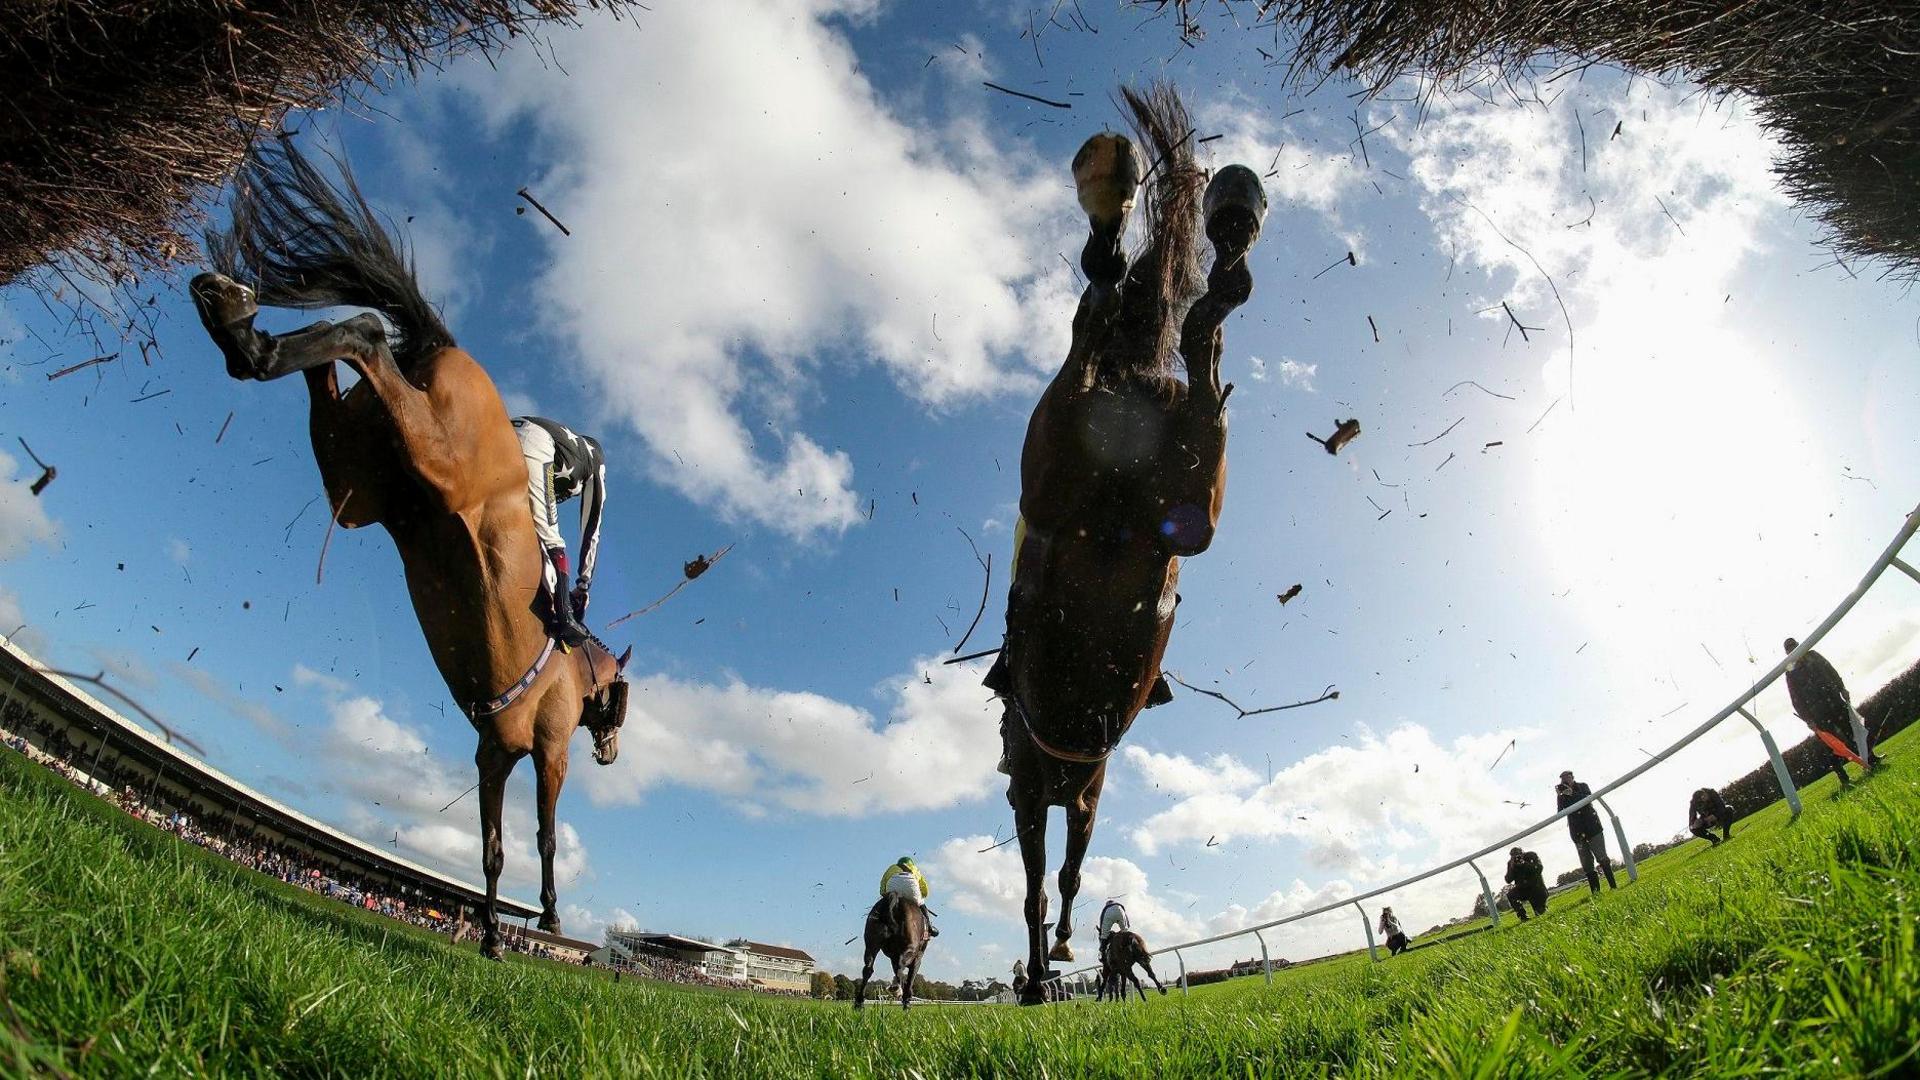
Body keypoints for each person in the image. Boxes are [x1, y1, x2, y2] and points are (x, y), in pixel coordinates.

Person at [511, 415, 606, 648]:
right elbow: (592, 526)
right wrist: (583, 585)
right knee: (552, 537)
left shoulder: (570, 444)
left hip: (507, 429)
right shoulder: (596, 462)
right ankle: (565, 617)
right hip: (535, 441)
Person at [1783, 637, 1877, 785]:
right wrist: (1808, 719)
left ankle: (1871, 759)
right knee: (1832, 745)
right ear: (1787, 653)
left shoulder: (1813, 655)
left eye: (1795, 647)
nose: (1794, 651)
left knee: (1853, 731)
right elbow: (1796, 699)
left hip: (1833, 699)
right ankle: (1843, 778)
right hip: (1817, 712)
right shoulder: (1790, 671)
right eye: (1790, 650)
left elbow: (1830, 670)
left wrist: (1842, 688)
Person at [1556, 769, 1617, 894]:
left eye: (1566, 778)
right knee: (1587, 864)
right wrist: (1560, 796)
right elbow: (1560, 812)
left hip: (1592, 827)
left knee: (1602, 857)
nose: (1564, 781)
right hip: (1577, 832)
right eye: (1562, 779)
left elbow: (1588, 799)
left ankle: (1613, 886)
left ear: (1572, 777)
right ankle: (1596, 892)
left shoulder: (1583, 786)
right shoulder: (1561, 795)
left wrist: (1571, 793)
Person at [878, 855, 938, 936]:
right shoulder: (915, 869)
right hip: (910, 884)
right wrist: (921, 896)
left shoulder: (891, 868)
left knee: (882, 908)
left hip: (893, 885)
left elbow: (882, 887)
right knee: (922, 903)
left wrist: (885, 895)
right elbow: (925, 890)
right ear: (911, 864)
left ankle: (877, 924)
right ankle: (930, 927)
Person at [1503, 847, 1548, 920]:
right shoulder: (1511, 863)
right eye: (1513, 855)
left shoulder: (1531, 856)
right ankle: (1523, 916)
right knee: (1511, 895)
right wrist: (1512, 867)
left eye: (1518, 854)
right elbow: (1508, 880)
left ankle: (1541, 907)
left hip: (1536, 888)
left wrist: (1525, 864)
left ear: (1523, 853)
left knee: (1540, 913)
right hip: (1523, 889)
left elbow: (1539, 869)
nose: (1517, 857)